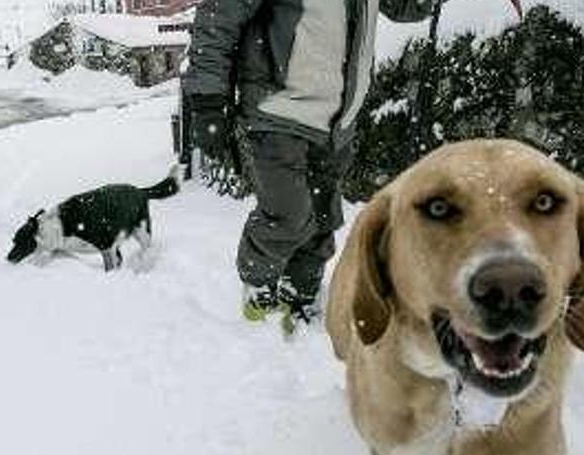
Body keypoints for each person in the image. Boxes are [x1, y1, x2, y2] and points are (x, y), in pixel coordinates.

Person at [182, 0, 436, 326]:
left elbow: (406, 7)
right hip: (278, 109)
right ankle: (258, 288)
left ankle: (301, 293)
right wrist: (207, 99)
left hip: (337, 120)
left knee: (322, 216)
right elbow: (219, 14)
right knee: (288, 215)